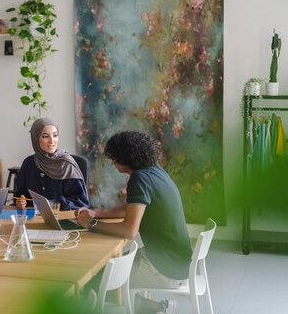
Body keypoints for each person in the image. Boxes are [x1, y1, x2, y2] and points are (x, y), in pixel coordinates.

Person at [75, 131, 192, 314]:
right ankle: (158, 308)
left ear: (126, 157)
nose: (113, 162)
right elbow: (133, 206)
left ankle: (154, 308)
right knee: (111, 268)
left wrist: (91, 225)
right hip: (179, 261)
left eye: (114, 157)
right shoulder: (154, 171)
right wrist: (96, 213)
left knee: (95, 278)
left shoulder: (139, 178)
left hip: (166, 269)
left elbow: (129, 231)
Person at [15, 117, 89, 211]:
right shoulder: (28, 163)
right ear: (36, 138)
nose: (52, 141)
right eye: (45, 136)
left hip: (63, 220)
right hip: (34, 220)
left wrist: (52, 204)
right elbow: (20, 195)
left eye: (55, 135)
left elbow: (81, 202)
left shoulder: (66, 164)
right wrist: (21, 201)